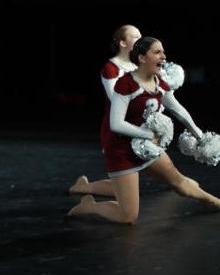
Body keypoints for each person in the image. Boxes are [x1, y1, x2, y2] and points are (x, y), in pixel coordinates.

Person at [68, 37, 220, 223]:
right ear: (141, 58)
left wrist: (200, 136)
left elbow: (178, 110)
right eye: (157, 52)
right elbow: (115, 123)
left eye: (163, 52)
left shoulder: (159, 83)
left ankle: (215, 202)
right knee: (128, 216)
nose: (163, 56)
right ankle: (90, 206)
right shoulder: (126, 84)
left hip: (148, 148)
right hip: (121, 151)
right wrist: (149, 134)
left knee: (180, 183)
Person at [69, 25, 141, 196]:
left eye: (141, 36)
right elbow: (117, 101)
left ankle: (179, 183)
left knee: (129, 187)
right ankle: (83, 188)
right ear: (123, 42)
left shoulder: (138, 66)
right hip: (118, 131)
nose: (141, 40)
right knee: (125, 191)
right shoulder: (111, 69)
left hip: (138, 128)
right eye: (135, 37)